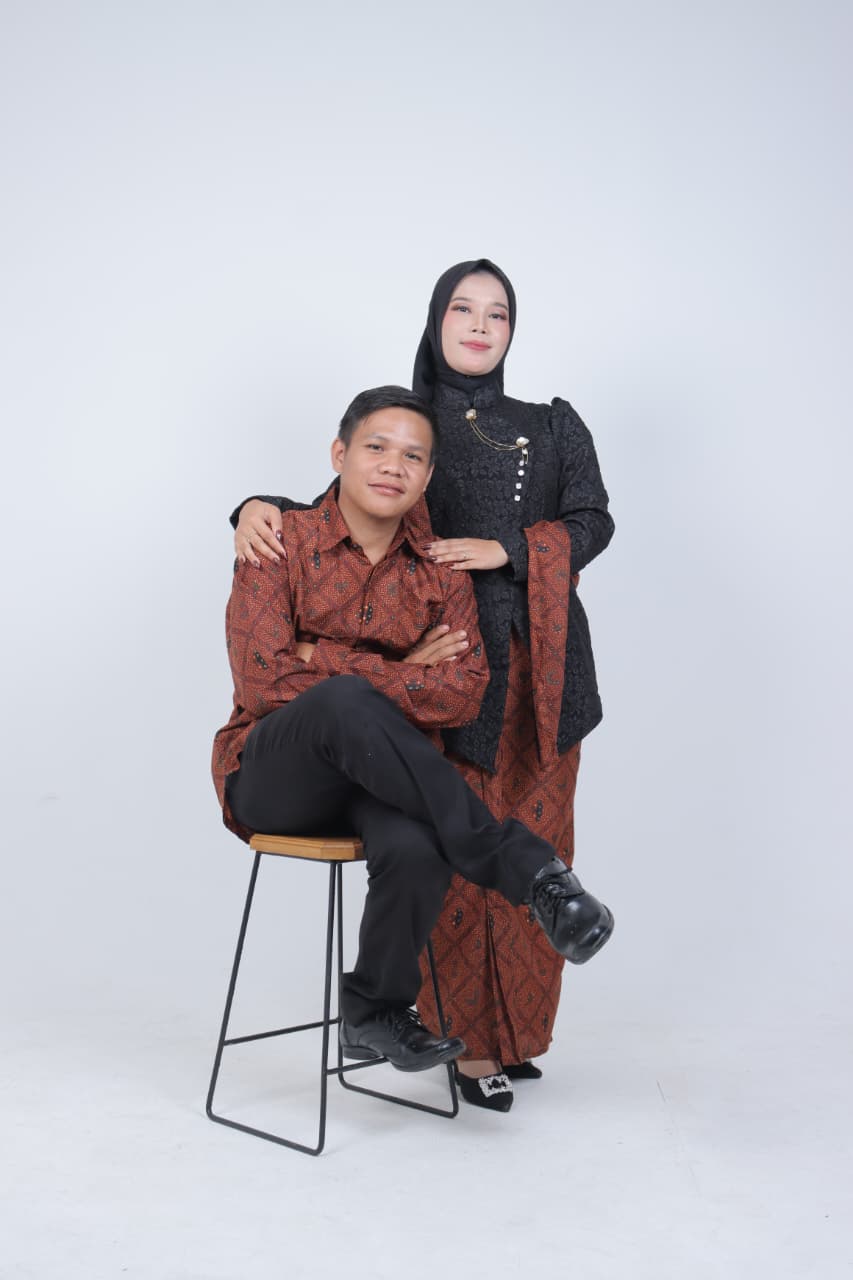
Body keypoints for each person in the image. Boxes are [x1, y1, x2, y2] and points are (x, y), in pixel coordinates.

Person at [232, 263, 615, 1108]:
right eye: (461, 308)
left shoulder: (547, 430)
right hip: (350, 723)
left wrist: (508, 551)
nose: (479, 325)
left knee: (425, 842)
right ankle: (479, 1018)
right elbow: (334, 517)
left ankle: (431, 1021)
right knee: (442, 819)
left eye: (497, 313)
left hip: (530, 672)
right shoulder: (386, 440)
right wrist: (252, 505)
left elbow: (592, 522)